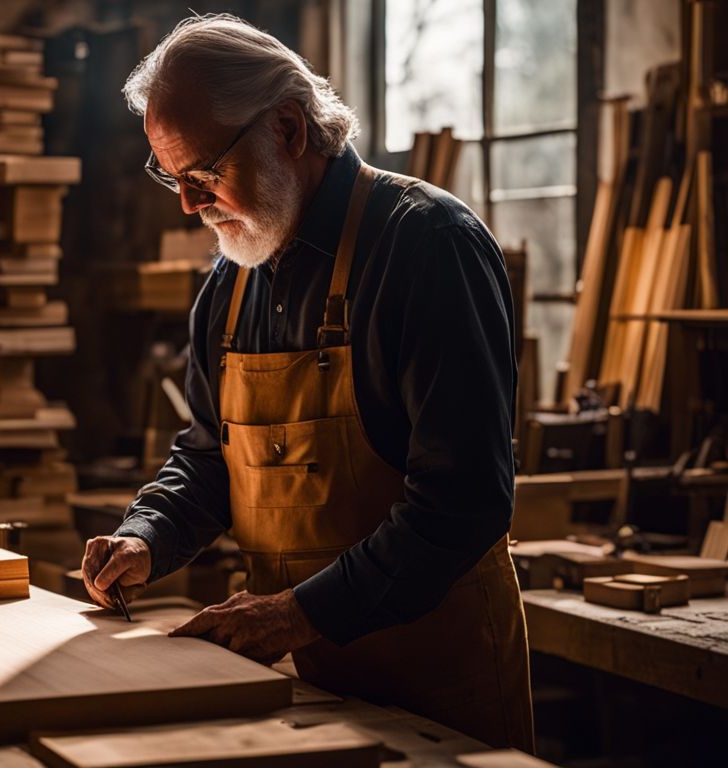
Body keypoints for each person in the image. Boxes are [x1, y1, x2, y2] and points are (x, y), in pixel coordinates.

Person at [80, 14, 534, 750]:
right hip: (308, 691)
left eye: (204, 174)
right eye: (172, 177)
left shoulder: (428, 247)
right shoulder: (229, 285)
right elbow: (207, 459)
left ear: (288, 129)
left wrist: (293, 613)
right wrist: (147, 537)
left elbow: (464, 501)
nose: (189, 205)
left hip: (442, 694)